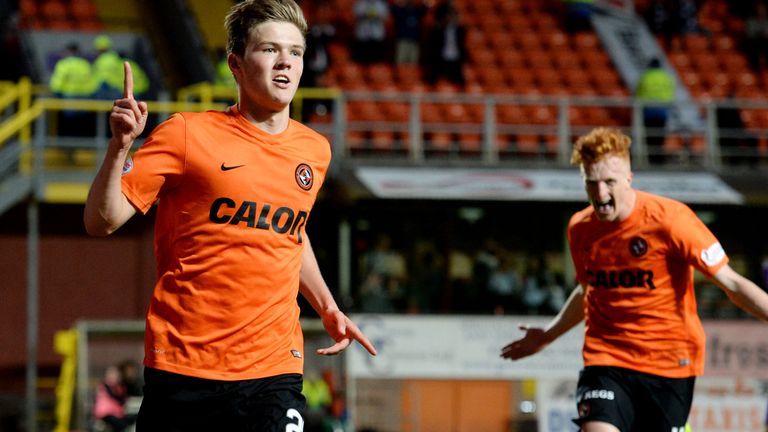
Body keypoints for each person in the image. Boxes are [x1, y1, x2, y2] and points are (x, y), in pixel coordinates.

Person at [83, 1, 377, 430]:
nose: (285, 63)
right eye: (270, 50)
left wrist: (328, 306)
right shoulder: (187, 134)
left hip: (273, 368)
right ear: (235, 64)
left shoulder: (314, 149)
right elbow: (100, 220)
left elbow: (290, 231)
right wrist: (120, 147)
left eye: (295, 52)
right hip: (184, 366)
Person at [500, 127, 768, 432]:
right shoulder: (580, 228)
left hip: (668, 361)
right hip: (606, 357)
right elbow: (588, 290)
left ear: (629, 177)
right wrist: (549, 335)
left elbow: (731, 283)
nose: (600, 194)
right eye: (591, 183)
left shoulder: (671, 220)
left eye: (609, 182)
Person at [635, 57, 675, 164]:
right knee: (660, 135)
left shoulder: (645, 77)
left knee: (649, 136)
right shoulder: (666, 77)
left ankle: (651, 158)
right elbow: (670, 93)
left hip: (648, 110)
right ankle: (659, 158)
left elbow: (638, 94)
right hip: (662, 110)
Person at [93, 365, 137, 432]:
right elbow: (116, 397)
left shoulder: (118, 387)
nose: (114, 377)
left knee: (130, 419)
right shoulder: (106, 386)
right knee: (121, 425)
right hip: (106, 414)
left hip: (116, 413)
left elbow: (124, 397)